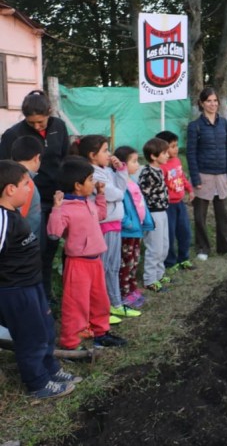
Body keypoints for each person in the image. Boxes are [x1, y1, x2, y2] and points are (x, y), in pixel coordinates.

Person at [0, 160, 81, 399]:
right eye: (26, 184)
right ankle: (37, 382)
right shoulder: (2, 219)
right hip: (15, 290)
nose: (30, 189)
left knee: (45, 329)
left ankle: (50, 369)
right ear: (10, 189)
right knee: (30, 336)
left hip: (32, 283)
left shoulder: (13, 212)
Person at [47, 156, 127, 351]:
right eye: (90, 180)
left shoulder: (87, 202)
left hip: (95, 262)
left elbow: (101, 215)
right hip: (78, 264)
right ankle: (70, 343)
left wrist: (99, 196)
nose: (94, 182)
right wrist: (56, 209)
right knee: (76, 305)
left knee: (100, 300)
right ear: (77, 185)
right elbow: (53, 232)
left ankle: (101, 333)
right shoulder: (65, 208)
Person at [0, 90, 70, 302]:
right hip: (28, 203)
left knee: (50, 250)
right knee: (32, 251)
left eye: (40, 122)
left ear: (49, 112)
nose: (37, 127)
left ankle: (46, 295)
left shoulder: (59, 127)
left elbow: (64, 159)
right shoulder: (13, 135)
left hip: (55, 199)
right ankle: (32, 298)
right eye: (32, 123)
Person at [72, 135, 135, 321]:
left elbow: (121, 188)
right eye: (105, 150)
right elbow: (115, 193)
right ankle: (102, 308)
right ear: (92, 155)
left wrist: (120, 169)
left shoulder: (105, 170)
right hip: (103, 225)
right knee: (105, 267)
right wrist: (118, 187)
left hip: (114, 223)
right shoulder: (93, 173)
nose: (109, 154)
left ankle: (115, 304)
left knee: (113, 266)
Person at [186, 88, 227, 261]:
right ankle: (202, 249)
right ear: (201, 103)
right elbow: (191, 153)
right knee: (200, 215)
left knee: (223, 214)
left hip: (221, 174)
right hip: (203, 175)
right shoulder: (195, 126)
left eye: (215, 101)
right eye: (209, 101)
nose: (212, 104)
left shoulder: (224, 124)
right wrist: (195, 178)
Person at [114, 146, 153, 309]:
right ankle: (123, 293)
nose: (137, 165)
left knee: (134, 261)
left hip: (136, 230)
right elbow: (119, 208)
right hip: (127, 231)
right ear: (122, 164)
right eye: (134, 161)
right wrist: (128, 223)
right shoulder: (120, 184)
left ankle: (132, 288)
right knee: (125, 262)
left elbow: (140, 205)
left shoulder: (132, 182)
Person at [156, 130, 196, 274]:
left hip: (180, 203)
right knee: (169, 234)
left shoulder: (177, 161)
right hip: (168, 206)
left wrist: (189, 189)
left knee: (185, 232)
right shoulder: (160, 167)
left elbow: (182, 177)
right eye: (172, 146)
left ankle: (184, 258)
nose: (176, 149)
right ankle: (170, 262)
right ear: (162, 150)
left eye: (176, 145)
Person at [139, 138, 172, 293]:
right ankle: (150, 279)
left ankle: (159, 274)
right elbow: (141, 195)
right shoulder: (147, 173)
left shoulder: (159, 170)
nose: (168, 155)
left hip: (162, 212)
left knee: (164, 245)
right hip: (153, 214)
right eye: (164, 153)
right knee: (155, 247)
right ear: (153, 156)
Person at [10, 136, 44, 240]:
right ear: (37, 158)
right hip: (22, 246)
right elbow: (18, 218)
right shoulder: (26, 182)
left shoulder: (7, 176)